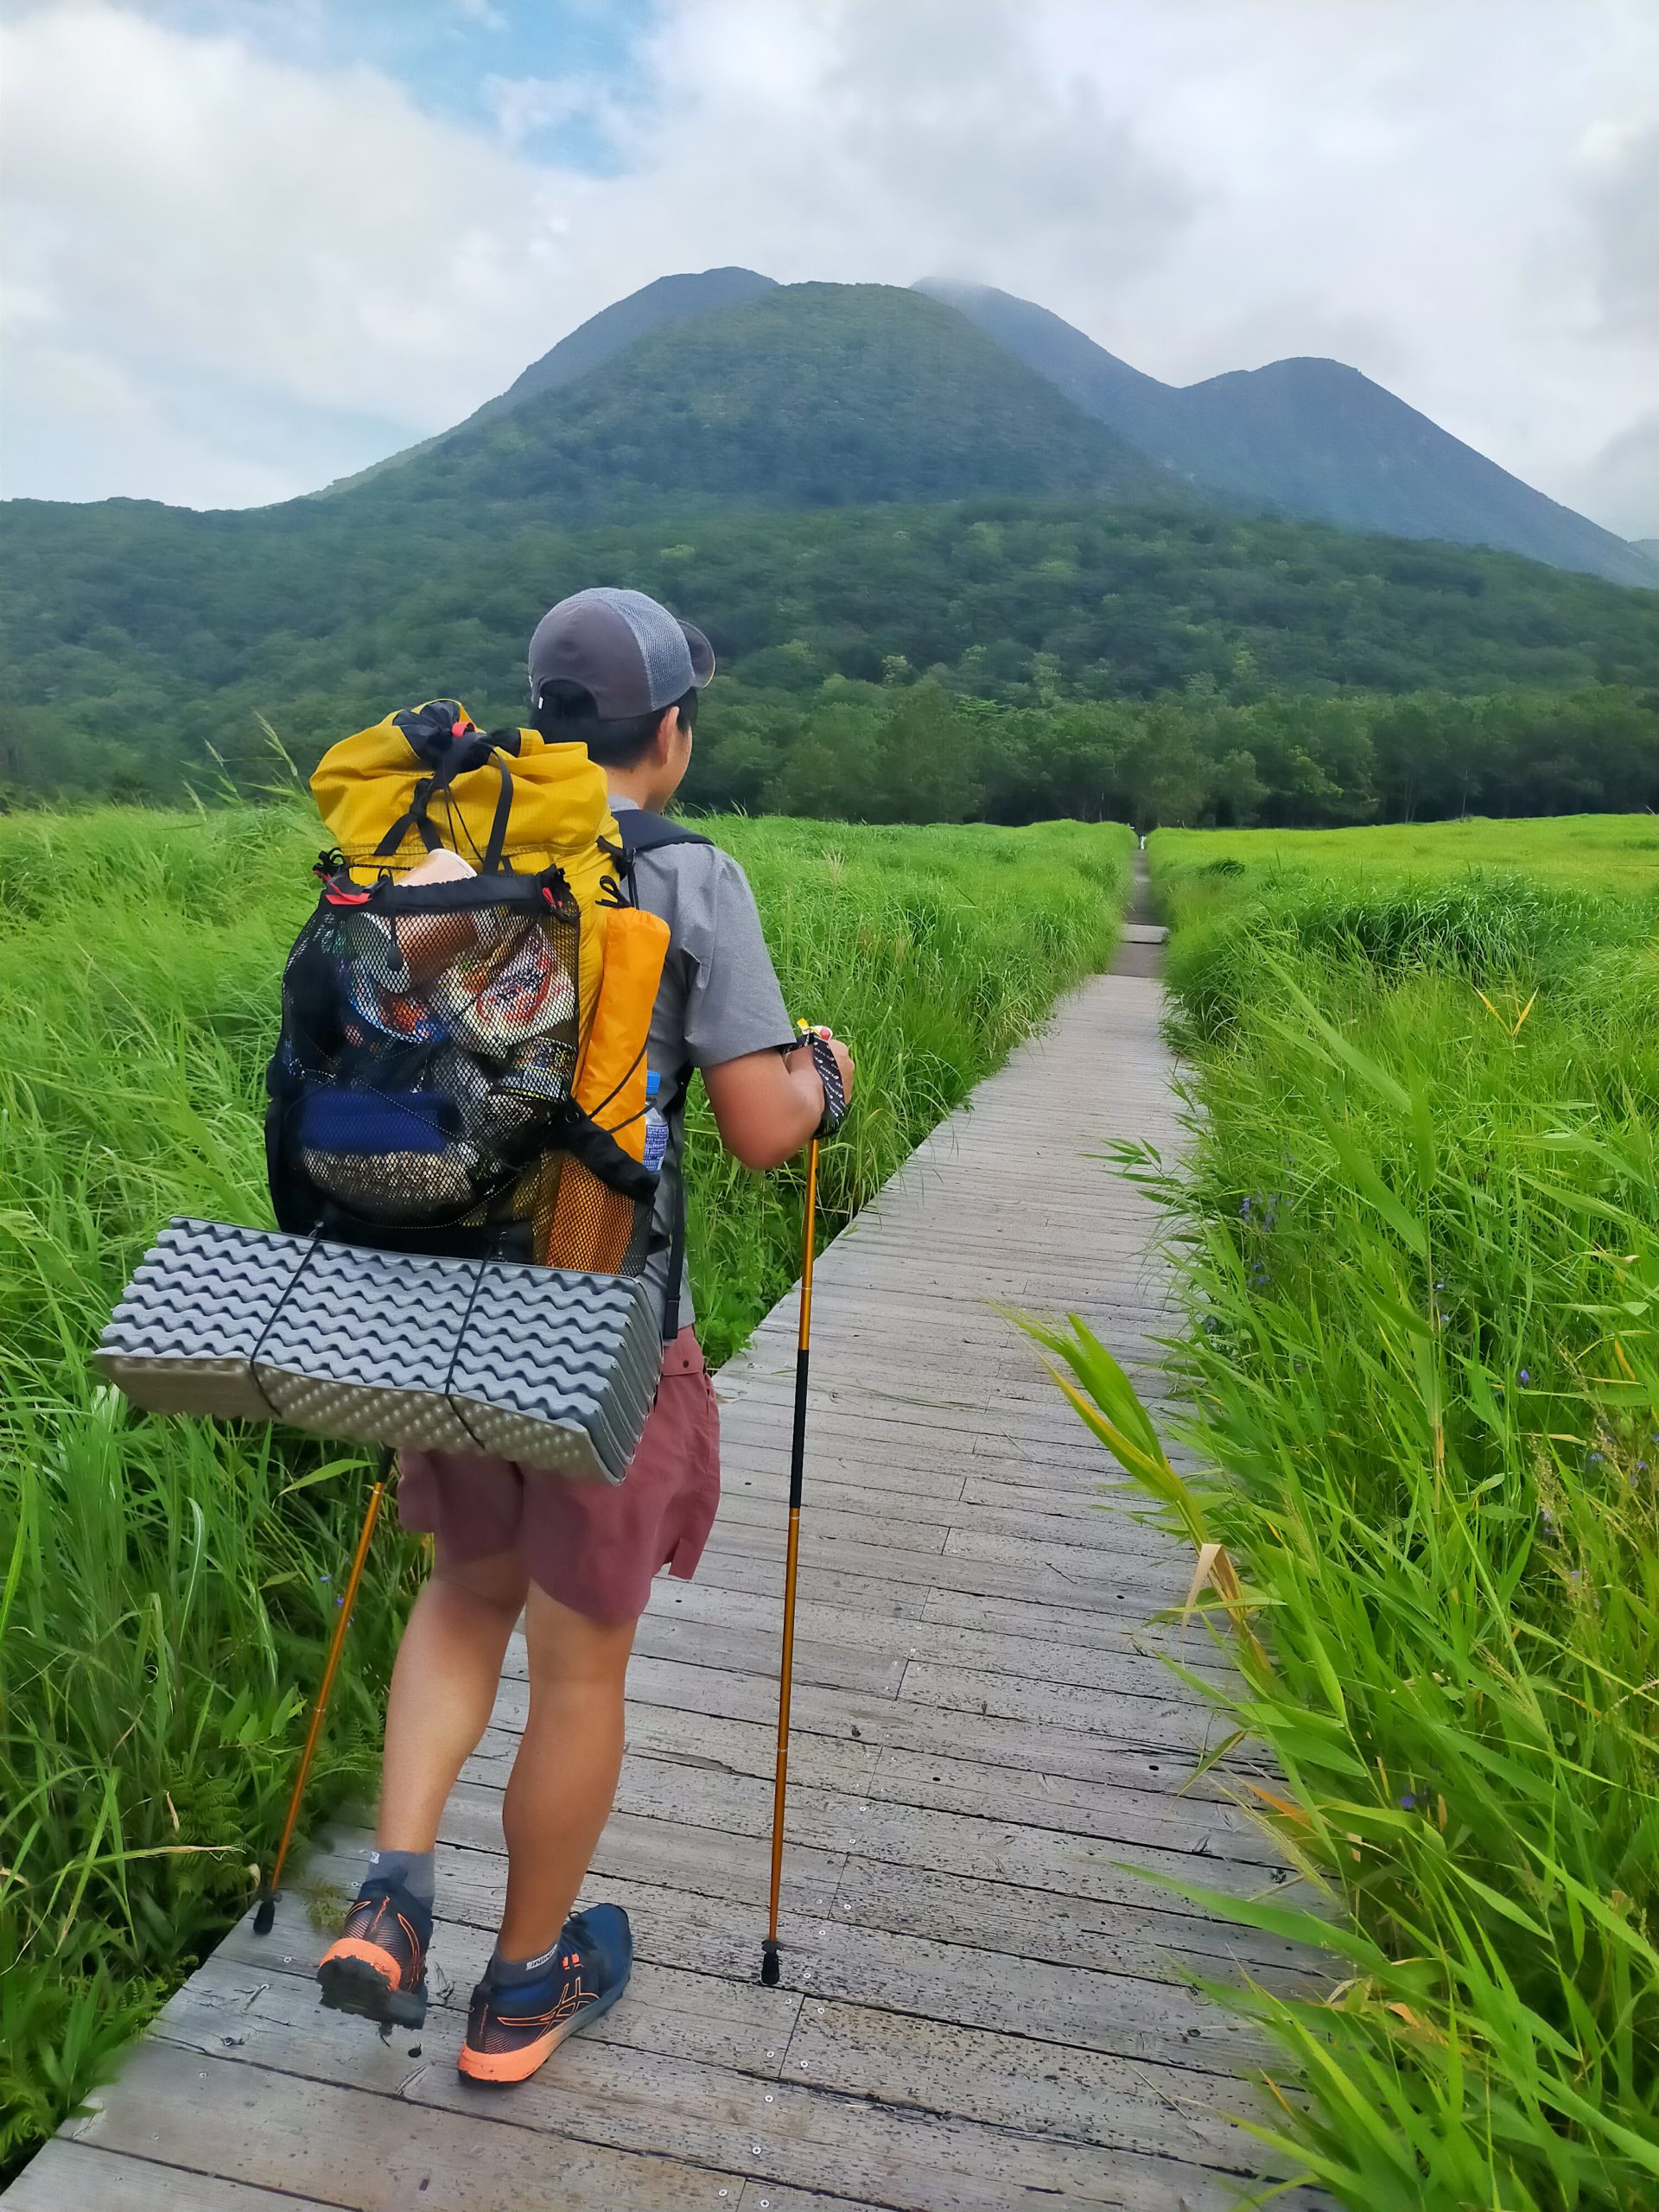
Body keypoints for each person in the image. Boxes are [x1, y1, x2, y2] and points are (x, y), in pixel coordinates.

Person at [315, 588, 855, 2083]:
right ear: (669, 732)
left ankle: (393, 1898)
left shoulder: (446, 848)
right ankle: (521, 1988)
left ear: (546, 715)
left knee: (460, 1599)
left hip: (444, 1303)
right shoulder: (691, 876)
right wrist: (826, 1078)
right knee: (582, 1665)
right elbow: (759, 1130)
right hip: (602, 1320)